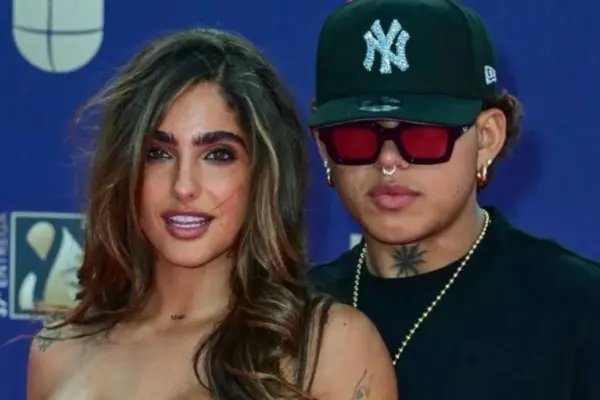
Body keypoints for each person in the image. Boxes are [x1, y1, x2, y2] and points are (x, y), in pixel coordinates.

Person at [26, 28, 398, 400]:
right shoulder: (59, 351)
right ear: (126, 168)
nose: (184, 186)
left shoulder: (329, 349)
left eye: (218, 155)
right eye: (158, 153)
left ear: (263, 173)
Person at [307, 0, 600, 398]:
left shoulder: (580, 311)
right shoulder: (286, 318)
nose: (388, 160)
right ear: (325, 149)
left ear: (487, 138)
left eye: (423, 136)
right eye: (356, 137)